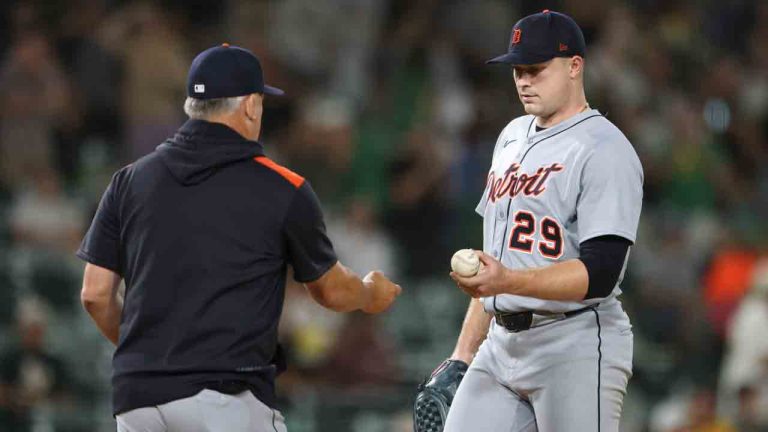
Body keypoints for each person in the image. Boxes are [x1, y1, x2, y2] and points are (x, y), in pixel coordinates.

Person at [76, 44, 401, 432]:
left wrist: (150, 361)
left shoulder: (128, 181)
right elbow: (330, 291)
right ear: (249, 105)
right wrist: (368, 293)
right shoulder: (282, 187)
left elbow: (95, 295)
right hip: (225, 399)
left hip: (138, 400)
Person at [443, 10, 643, 431]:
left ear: (575, 66)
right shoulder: (512, 136)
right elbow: (494, 262)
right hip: (500, 343)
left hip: (574, 343)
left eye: (536, 68)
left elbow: (601, 273)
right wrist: (462, 355)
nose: (523, 80)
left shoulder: (605, 148)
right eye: (518, 69)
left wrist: (506, 282)